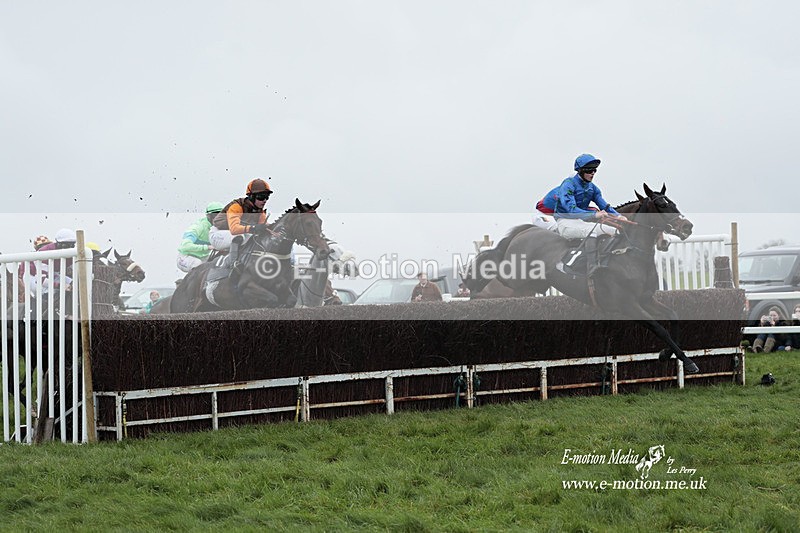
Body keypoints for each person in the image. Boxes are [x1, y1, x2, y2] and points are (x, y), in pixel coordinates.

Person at [539, 153, 625, 240]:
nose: (592, 173)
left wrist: (618, 216)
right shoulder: (568, 184)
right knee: (593, 232)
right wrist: (595, 214)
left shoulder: (593, 188)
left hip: (580, 222)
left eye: (594, 170)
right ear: (580, 171)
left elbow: (604, 205)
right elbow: (571, 209)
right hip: (565, 222)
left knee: (614, 231)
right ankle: (589, 254)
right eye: (589, 171)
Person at [210, 178, 273, 260]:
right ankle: (233, 263)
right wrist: (254, 228)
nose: (264, 200)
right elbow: (234, 229)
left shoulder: (260, 212)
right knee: (239, 236)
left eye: (267, 197)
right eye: (261, 197)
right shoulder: (236, 206)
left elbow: (264, 228)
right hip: (218, 234)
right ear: (251, 196)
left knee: (260, 239)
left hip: (235, 235)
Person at [176, 201, 224, 272]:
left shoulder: (220, 228)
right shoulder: (198, 227)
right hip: (185, 258)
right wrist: (207, 247)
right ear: (209, 216)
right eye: (215, 216)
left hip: (203, 259)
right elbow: (184, 246)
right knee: (197, 264)